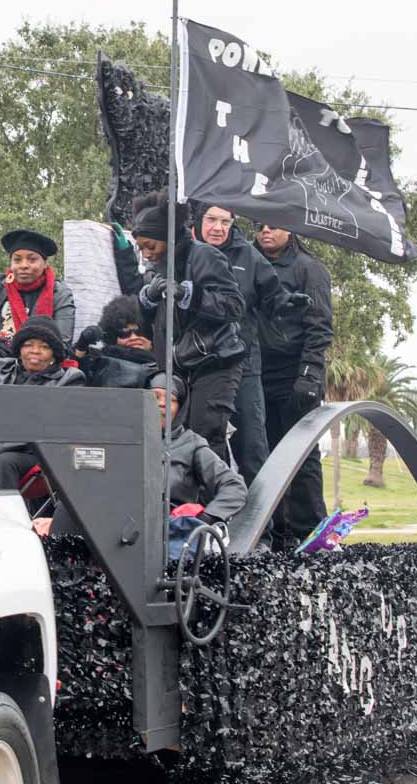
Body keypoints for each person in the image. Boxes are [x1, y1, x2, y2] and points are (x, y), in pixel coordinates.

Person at [191, 204, 309, 493]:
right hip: (196, 364)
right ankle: (209, 513)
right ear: (199, 221)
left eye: (225, 221)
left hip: (243, 363)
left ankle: (263, 520)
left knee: (253, 447)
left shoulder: (248, 255)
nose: (218, 228)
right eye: (211, 220)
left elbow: (273, 295)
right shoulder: (185, 252)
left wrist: (288, 301)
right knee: (203, 445)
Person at [127, 192, 248, 460]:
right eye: (141, 248)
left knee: (205, 435)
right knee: (175, 437)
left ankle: (215, 488)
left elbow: (234, 306)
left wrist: (189, 295)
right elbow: (146, 328)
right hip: (176, 366)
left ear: (167, 238)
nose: (146, 253)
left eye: (150, 245)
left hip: (216, 361)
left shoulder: (205, 255)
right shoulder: (155, 267)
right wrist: (147, 300)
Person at [255, 222, 334, 543]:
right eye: (259, 225)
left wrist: (309, 374)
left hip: (296, 375)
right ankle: (274, 533)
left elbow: (320, 327)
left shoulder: (309, 269)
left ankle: (310, 532)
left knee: (302, 456)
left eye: (273, 225)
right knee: (264, 457)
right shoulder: (249, 262)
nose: (265, 231)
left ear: (289, 230)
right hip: (257, 375)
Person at [0, 315, 85, 492]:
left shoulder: (69, 379)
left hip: (34, 453)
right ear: (19, 349)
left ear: (54, 354)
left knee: (4, 462)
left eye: (44, 347)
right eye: (28, 345)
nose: (35, 351)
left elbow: (48, 427)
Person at [148, 373, 249, 524]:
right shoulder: (125, 440)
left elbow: (234, 485)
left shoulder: (191, 443)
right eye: (154, 397)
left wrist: (208, 516)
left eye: (171, 399)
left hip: (172, 529)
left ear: (180, 408)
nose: (162, 404)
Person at [0, 229, 76, 358]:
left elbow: (63, 344)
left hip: (43, 368)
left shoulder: (58, 292)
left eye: (32, 259)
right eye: (17, 260)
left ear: (45, 263)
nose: (24, 265)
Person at [72, 295, 159, 389]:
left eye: (139, 331)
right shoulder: (101, 362)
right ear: (112, 337)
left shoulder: (164, 362)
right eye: (124, 333)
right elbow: (75, 375)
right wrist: (82, 345)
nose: (134, 337)